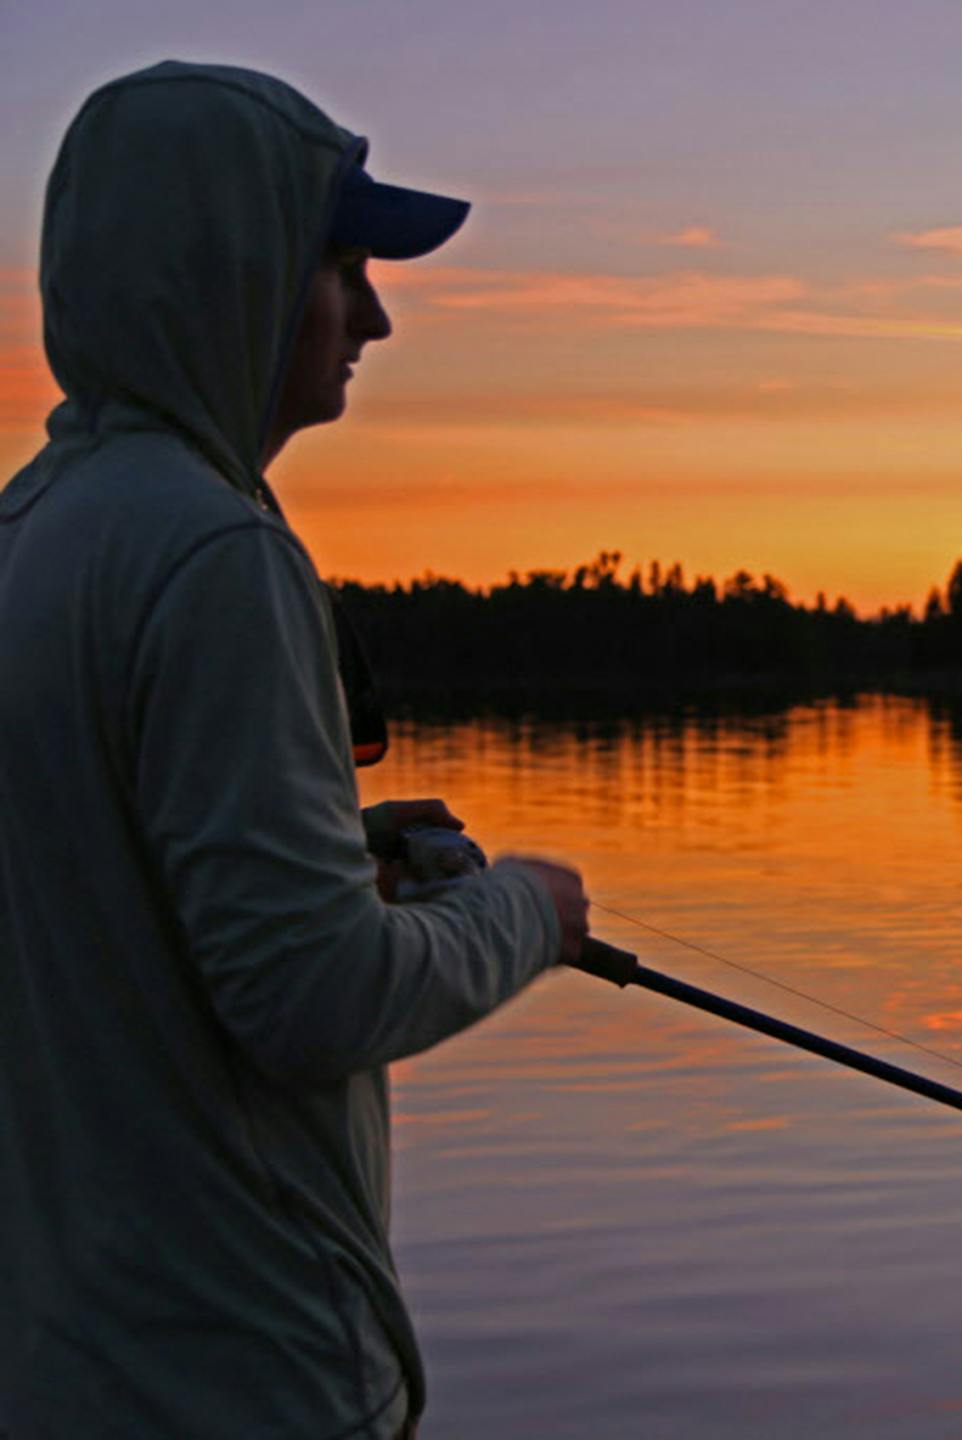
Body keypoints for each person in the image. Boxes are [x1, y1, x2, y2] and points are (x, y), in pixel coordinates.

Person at [0, 61, 588, 1439]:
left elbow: (98, 897)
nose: (375, 313)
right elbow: (313, 998)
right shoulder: (216, 555)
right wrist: (529, 912)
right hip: (241, 1372)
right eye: (344, 264)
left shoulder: (33, 535)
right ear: (236, 268)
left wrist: (341, 854)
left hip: (67, 1363)